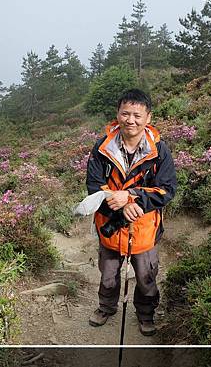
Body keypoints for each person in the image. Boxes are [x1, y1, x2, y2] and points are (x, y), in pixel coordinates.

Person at [85, 88, 177, 336]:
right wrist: (121, 204)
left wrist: (134, 196)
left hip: (143, 227)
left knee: (147, 276)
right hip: (110, 223)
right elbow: (94, 187)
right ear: (117, 114)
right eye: (125, 113)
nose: (131, 120)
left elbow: (167, 190)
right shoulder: (102, 148)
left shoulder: (159, 151)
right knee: (109, 275)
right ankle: (106, 308)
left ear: (148, 117)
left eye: (137, 115)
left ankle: (145, 314)